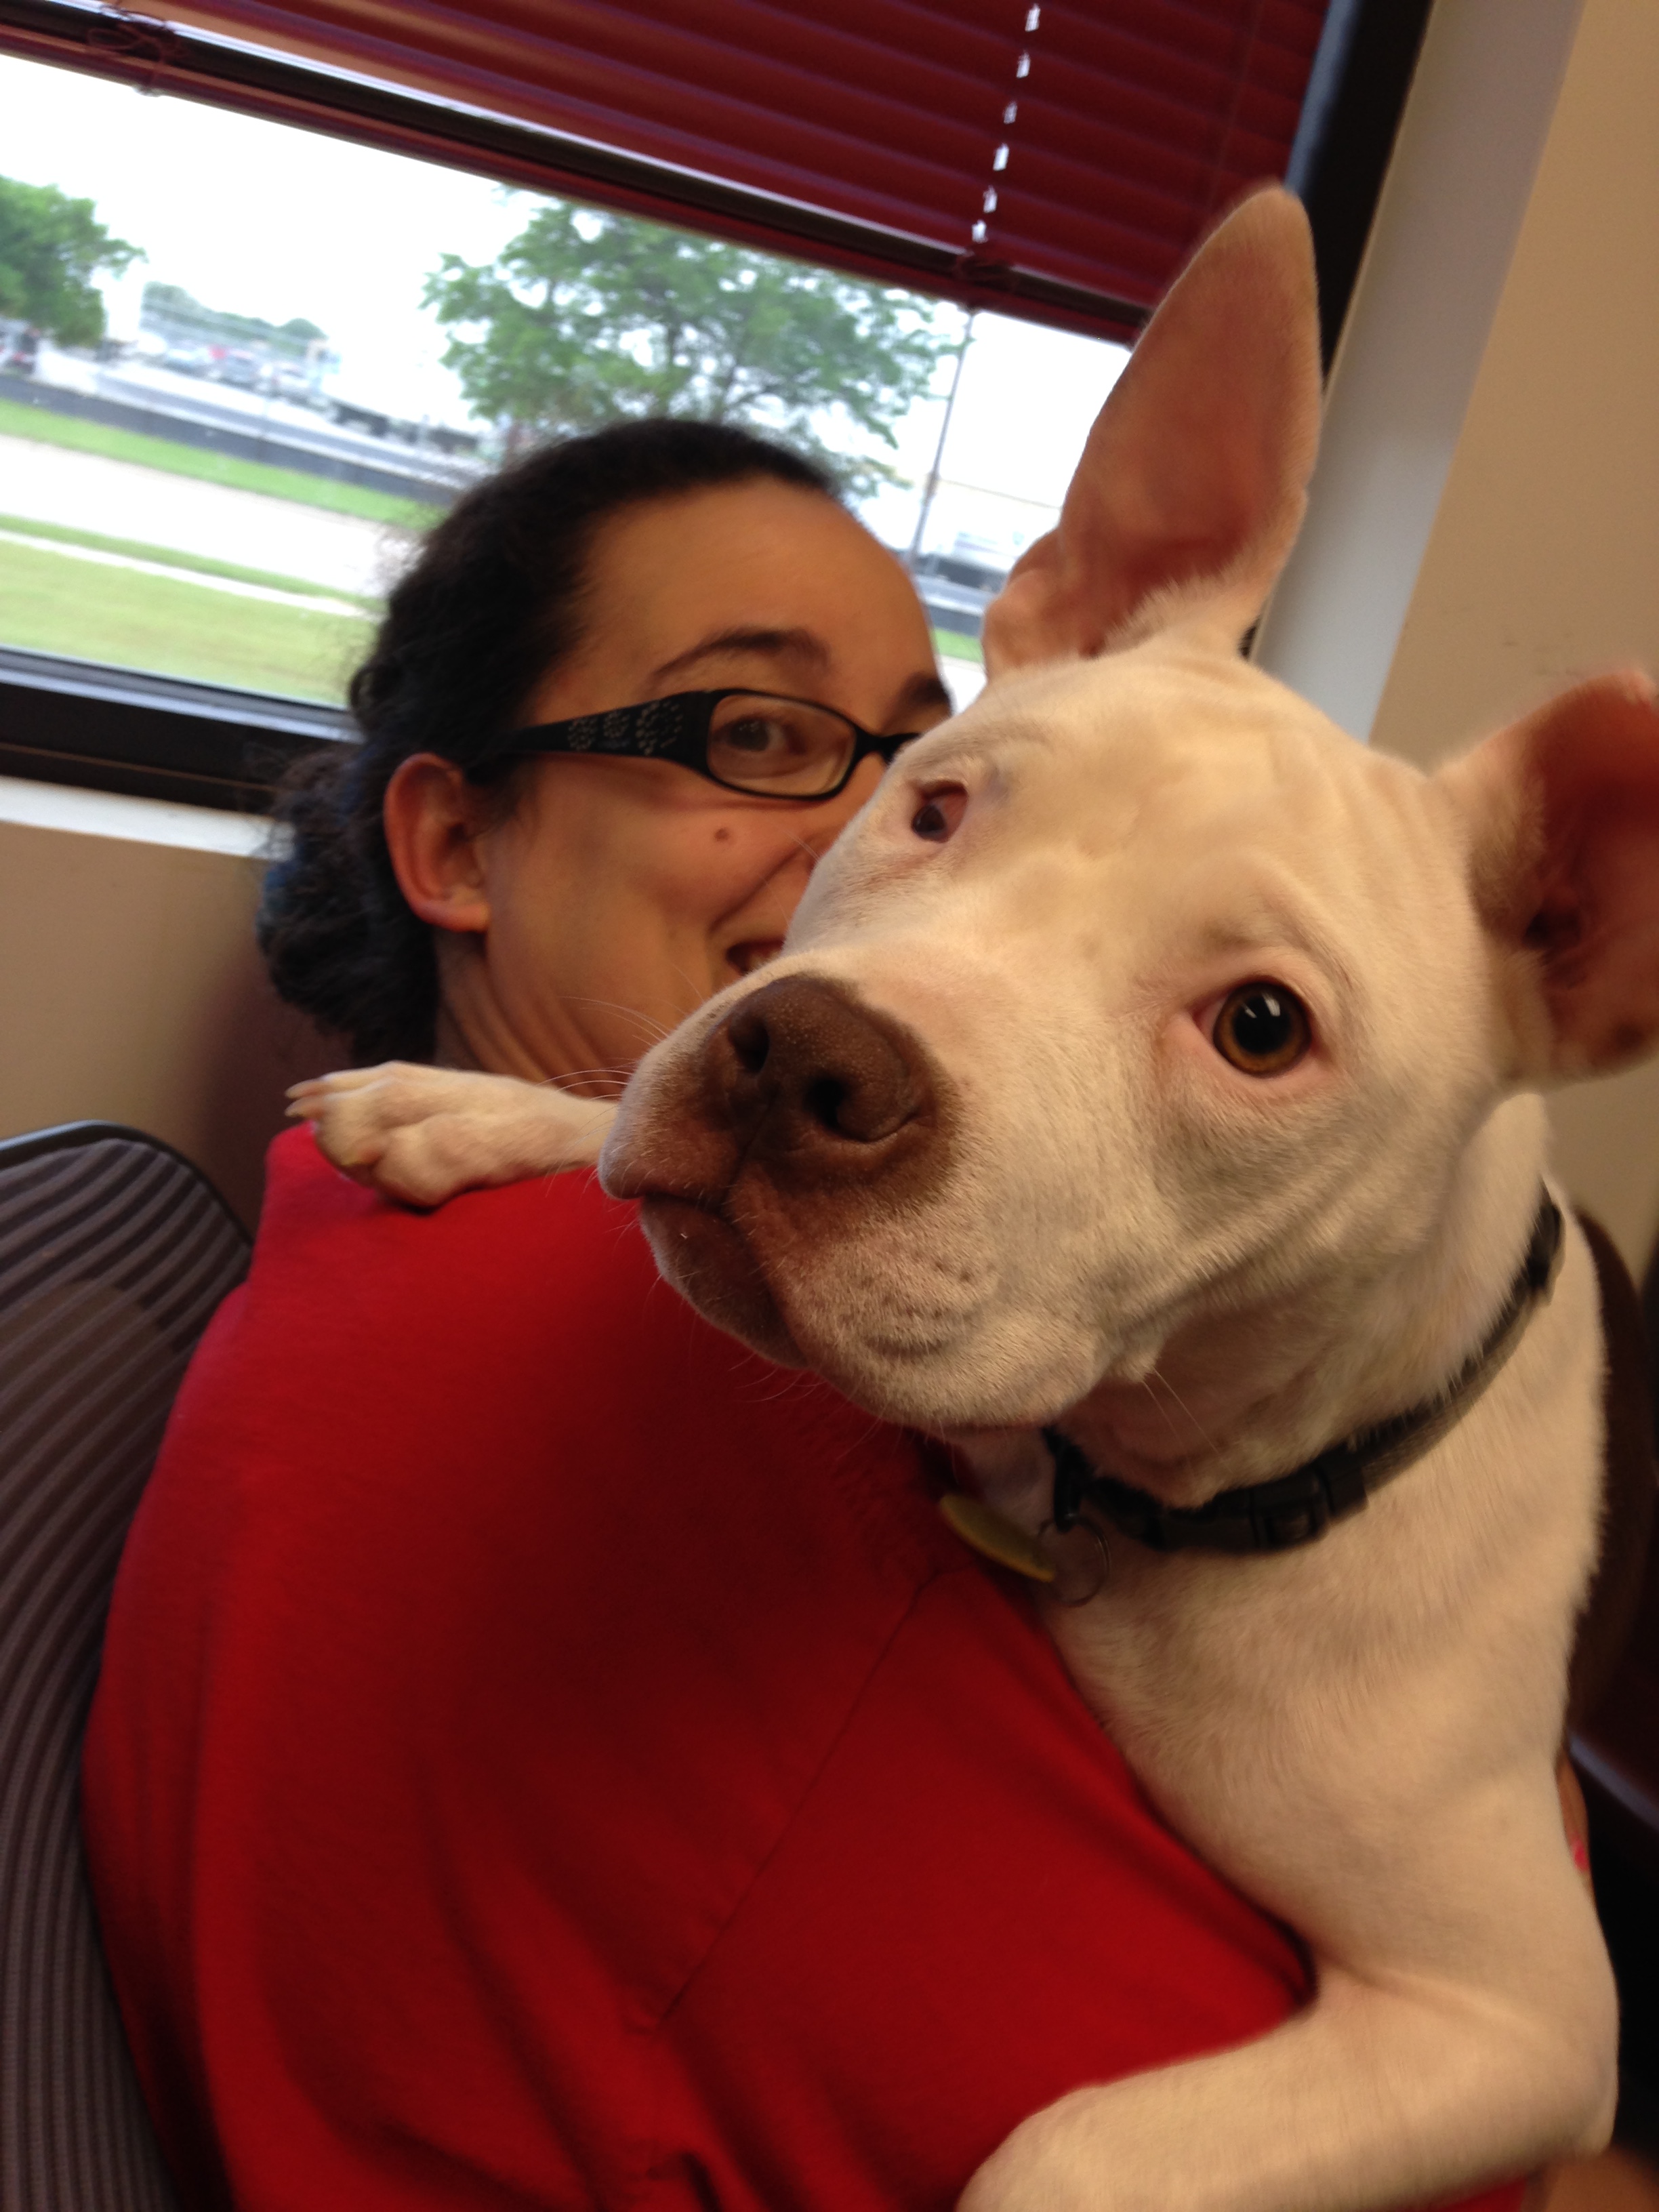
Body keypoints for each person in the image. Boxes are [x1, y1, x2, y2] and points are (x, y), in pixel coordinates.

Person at [82, 419, 1534, 2211]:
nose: (868, 834)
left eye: (921, 759)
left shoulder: (384, 1238)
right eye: (753, 737)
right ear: (457, 841)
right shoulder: (677, 1403)